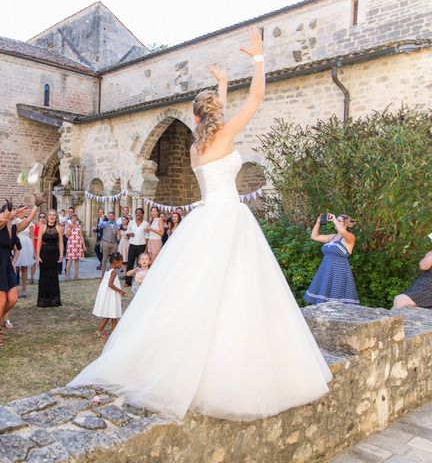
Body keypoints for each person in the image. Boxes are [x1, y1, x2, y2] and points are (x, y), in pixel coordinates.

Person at [70, 29, 332, 421]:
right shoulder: (223, 135)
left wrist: (222, 85)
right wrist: (259, 59)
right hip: (229, 217)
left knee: (199, 289)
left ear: (195, 118)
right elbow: (257, 97)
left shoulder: (197, 146)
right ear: (214, 116)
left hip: (207, 217)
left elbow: (213, 117)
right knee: (236, 291)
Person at [0, 195, 43, 347]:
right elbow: (3, 218)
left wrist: (36, 205)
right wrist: (12, 211)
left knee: (13, 299)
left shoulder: (14, 228)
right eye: (7, 212)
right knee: (1, 300)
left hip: (8, 265)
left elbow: (28, 220)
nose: (8, 214)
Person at [304, 213, 359, 305]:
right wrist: (318, 223)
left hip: (339, 271)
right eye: (335, 220)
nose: (335, 222)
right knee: (322, 302)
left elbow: (343, 233)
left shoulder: (350, 237)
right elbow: (314, 236)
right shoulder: (332, 237)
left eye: (339, 220)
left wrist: (334, 220)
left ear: (346, 223)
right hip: (325, 269)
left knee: (337, 301)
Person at [36, 209, 64, 307]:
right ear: (48, 216)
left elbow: (60, 242)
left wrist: (61, 254)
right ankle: (44, 300)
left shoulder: (59, 228)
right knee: (44, 276)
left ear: (56, 217)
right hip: (44, 254)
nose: (52, 217)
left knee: (53, 276)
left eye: (54, 215)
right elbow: (39, 242)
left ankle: (53, 300)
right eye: (50, 215)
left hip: (54, 254)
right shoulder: (42, 227)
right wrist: (37, 255)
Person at [93, 253, 125, 338]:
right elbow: (110, 284)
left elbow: (102, 281)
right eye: (121, 262)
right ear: (116, 262)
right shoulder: (113, 272)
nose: (121, 264)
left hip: (109, 295)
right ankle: (98, 332)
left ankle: (114, 333)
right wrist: (120, 291)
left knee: (113, 314)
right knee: (108, 316)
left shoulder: (107, 270)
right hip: (111, 296)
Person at [13, 205, 37, 297]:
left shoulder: (29, 222)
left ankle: (24, 288)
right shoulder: (15, 222)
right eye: (23, 211)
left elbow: (31, 236)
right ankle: (14, 289)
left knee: (24, 267)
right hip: (17, 244)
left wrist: (33, 249)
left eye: (26, 211)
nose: (24, 213)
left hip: (26, 245)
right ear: (18, 212)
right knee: (15, 268)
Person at [124, 208, 148, 287]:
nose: (138, 214)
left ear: (142, 214)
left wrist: (146, 248)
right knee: (130, 263)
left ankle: (139, 281)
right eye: (137, 213)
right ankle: (128, 282)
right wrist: (129, 234)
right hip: (132, 245)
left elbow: (147, 236)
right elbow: (127, 233)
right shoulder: (131, 222)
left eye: (140, 213)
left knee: (141, 264)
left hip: (142, 245)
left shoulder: (145, 224)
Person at [66, 214, 86, 280]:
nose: (74, 219)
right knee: (70, 260)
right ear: (71, 219)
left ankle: (76, 276)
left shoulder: (78, 226)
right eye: (73, 218)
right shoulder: (68, 226)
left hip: (78, 244)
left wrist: (84, 245)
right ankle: (67, 276)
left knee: (77, 260)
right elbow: (67, 236)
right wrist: (70, 228)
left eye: (75, 218)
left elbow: (81, 236)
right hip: (71, 244)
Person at [99, 212, 118, 277]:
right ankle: (103, 275)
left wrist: (117, 233)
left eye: (111, 216)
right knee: (104, 259)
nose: (110, 217)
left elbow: (118, 234)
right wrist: (102, 218)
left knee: (113, 259)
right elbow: (100, 225)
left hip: (114, 243)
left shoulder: (117, 224)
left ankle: (112, 274)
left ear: (114, 216)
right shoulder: (104, 223)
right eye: (109, 216)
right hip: (106, 242)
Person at [29, 212, 46, 284]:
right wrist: (39, 238)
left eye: (43, 217)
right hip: (36, 245)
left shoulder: (46, 227)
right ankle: (32, 278)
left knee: (43, 262)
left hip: (44, 246)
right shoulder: (35, 226)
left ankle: (42, 278)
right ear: (38, 218)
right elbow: (31, 236)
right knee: (34, 263)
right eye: (41, 217)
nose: (42, 218)